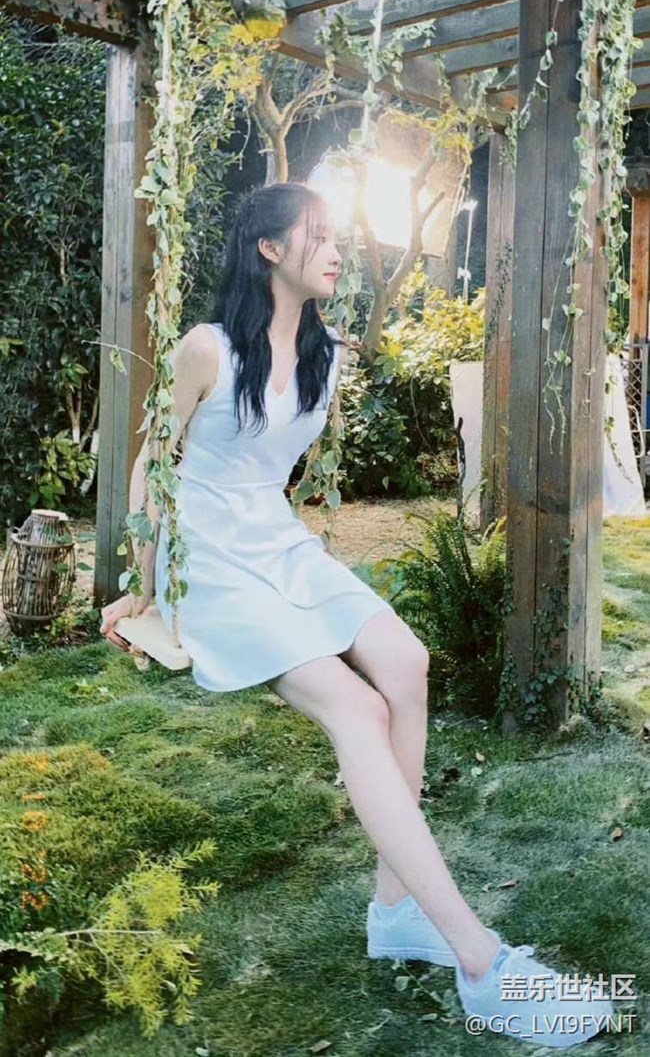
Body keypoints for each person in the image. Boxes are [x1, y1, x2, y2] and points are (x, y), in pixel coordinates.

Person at [100, 183, 613, 1048]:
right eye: (318, 235)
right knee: (357, 707)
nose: (337, 250)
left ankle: (394, 907)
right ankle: (481, 962)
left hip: (275, 539)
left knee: (405, 662)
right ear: (269, 248)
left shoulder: (327, 353)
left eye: (337, 235)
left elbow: (274, 468)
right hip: (208, 561)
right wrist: (143, 585)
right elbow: (154, 460)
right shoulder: (205, 348)